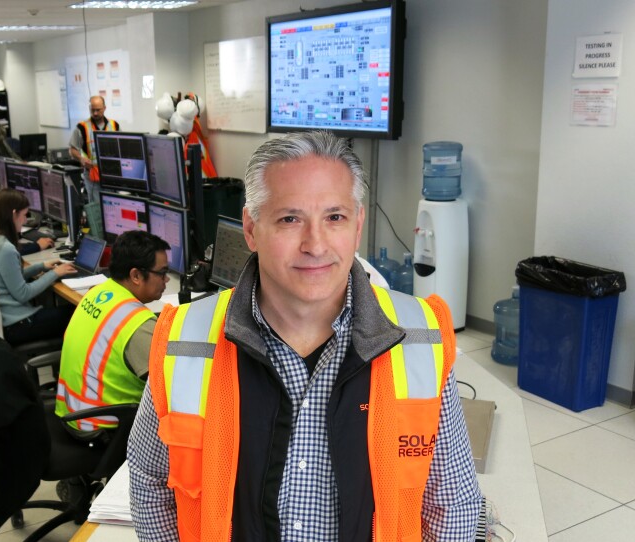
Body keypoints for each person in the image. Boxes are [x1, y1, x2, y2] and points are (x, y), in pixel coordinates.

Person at [127, 131, 482, 541]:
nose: (315, 245)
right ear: (250, 228)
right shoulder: (185, 341)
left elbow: (452, 503)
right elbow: (150, 483)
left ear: (358, 225)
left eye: (334, 217)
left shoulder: (420, 337)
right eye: (290, 219)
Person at [55, 230, 171, 433]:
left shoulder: (98, 292)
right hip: (105, 430)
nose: (167, 280)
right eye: (161, 272)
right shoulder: (137, 325)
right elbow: (173, 388)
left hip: (73, 413)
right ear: (136, 275)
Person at [0, 188, 76, 346]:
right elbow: (23, 293)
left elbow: (7, 278)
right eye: (25, 214)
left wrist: (41, 266)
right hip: (16, 324)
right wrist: (55, 273)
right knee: (78, 313)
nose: (26, 220)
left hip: (1, 319)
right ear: (13, 214)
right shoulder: (4, 248)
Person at [68, 95, 119, 203]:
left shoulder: (115, 125)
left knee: (113, 209)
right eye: (92, 110)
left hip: (112, 177)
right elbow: (72, 150)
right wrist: (81, 159)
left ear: (104, 108)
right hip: (93, 178)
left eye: (98, 110)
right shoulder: (82, 127)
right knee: (97, 211)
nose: (95, 113)